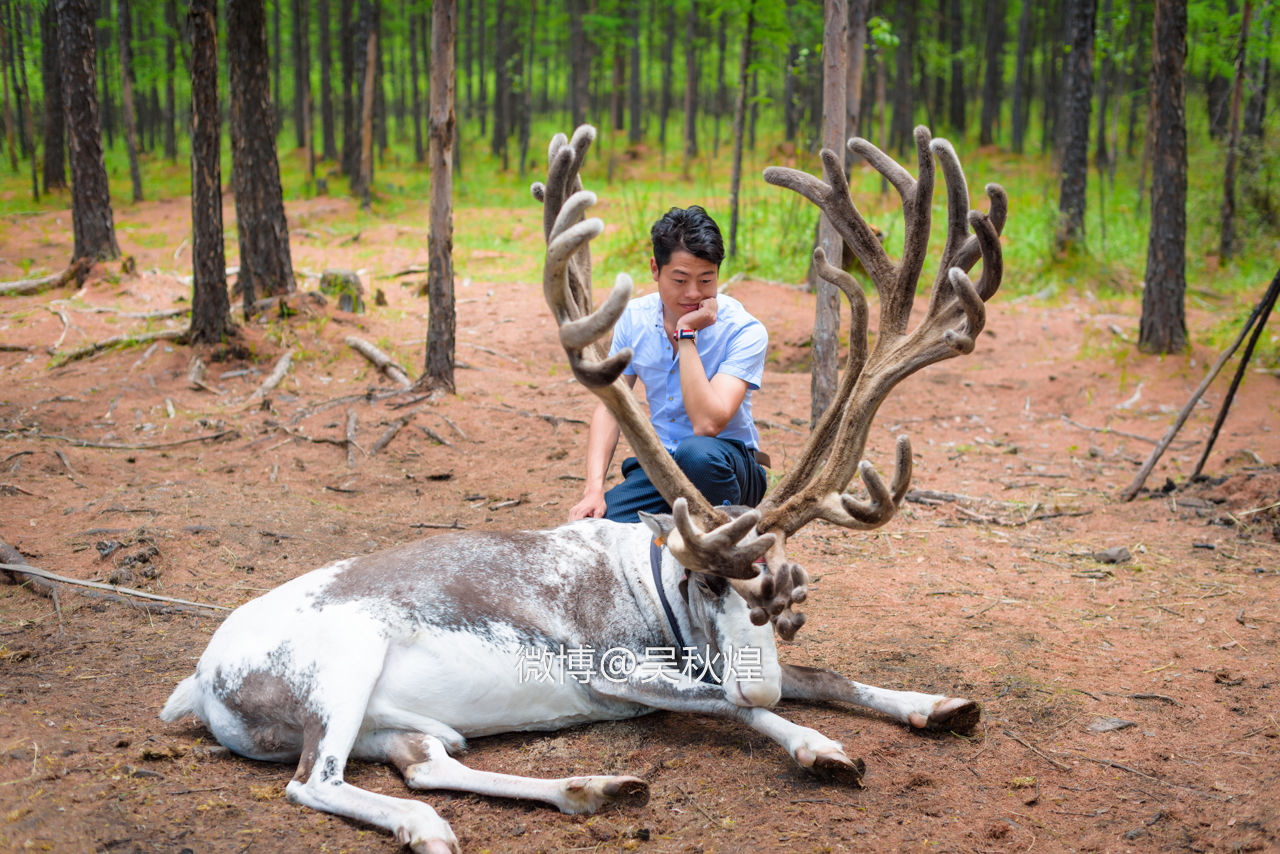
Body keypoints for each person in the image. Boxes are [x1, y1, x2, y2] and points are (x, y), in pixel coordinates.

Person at [569, 205, 768, 524]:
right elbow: (611, 407)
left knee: (696, 453)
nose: (693, 293)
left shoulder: (744, 330)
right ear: (654, 269)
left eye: (706, 280)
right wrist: (593, 489)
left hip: (725, 465)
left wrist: (686, 334)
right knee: (600, 528)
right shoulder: (634, 319)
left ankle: (732, 536)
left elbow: (707, 424)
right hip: (662, 467)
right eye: (680, 280)